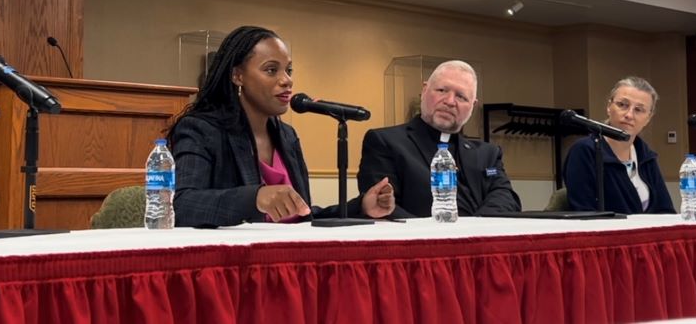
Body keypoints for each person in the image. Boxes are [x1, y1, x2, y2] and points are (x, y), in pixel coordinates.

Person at [170, 26, 395, 227]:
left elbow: (303, 216)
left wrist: (361, 207)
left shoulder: (287, 136)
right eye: (271, 70)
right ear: (238, 76)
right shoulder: (200, 130)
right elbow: (182, 205)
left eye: (289, 70)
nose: (287, 80)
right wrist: (255, 198)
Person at [358, 60, 521, 219]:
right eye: (442, 90)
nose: (450, 102)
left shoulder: (488, 154)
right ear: (424, 90)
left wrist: (473, 230)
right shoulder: (385, 142)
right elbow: (384, 208)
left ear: (473, 105)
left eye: (461, 97)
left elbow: (506, 198)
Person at [564, 77, 674, 214]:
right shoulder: (585, 150)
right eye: (622, 105)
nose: (629, 115)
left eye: (639, 110)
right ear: (609, 107)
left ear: (648, 118)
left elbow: (665, 211)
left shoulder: (645, 155)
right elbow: (583, 211)